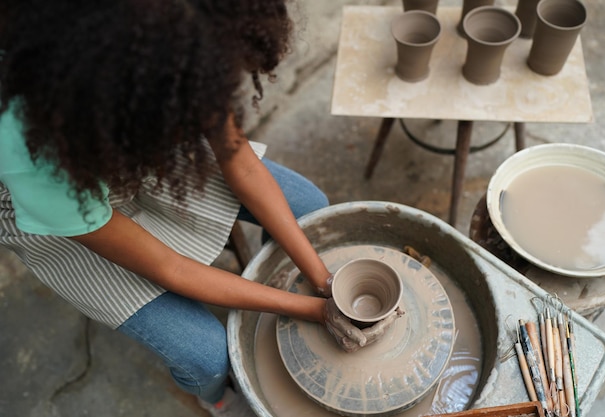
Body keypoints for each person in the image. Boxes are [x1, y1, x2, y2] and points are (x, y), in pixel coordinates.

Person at [0, 1, 401, 416]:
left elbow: (239, 162)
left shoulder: (177, 43)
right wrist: (317, 312)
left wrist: (324, 281)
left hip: (138, 143)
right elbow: (169, 268)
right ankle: (213, 396)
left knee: (309, 206)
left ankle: (279, 282)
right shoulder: (32, 148)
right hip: (64, 207)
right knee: (205, 353)